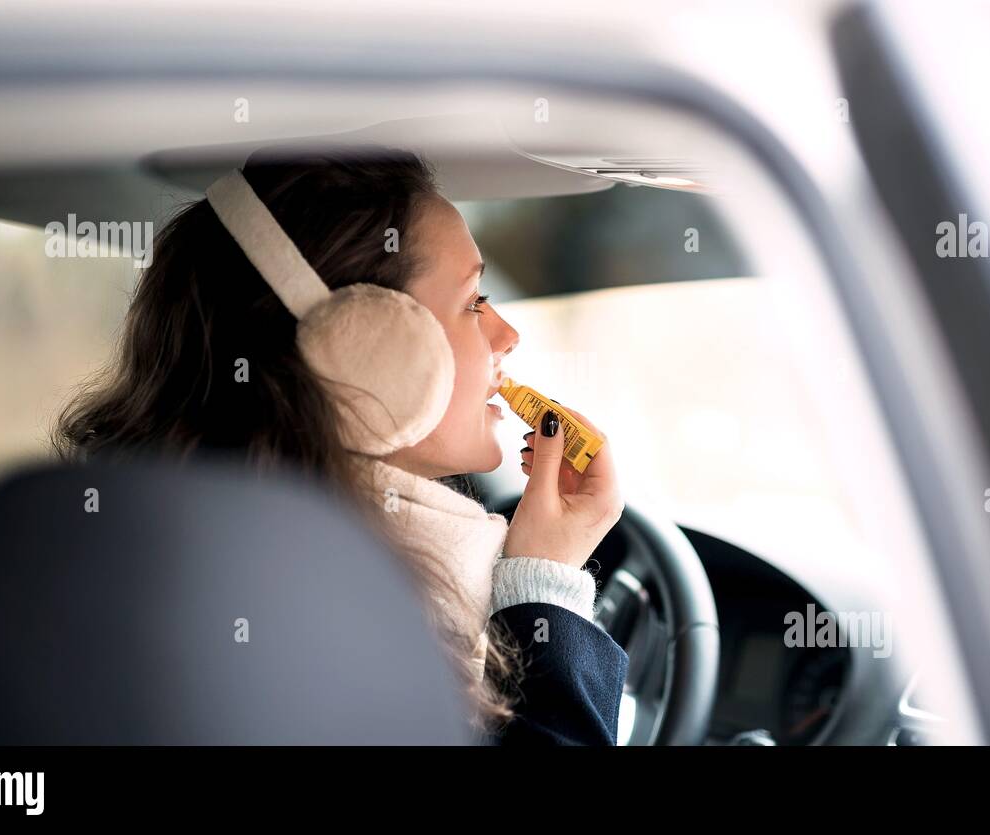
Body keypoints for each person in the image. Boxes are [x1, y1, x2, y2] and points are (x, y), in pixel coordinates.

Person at [53, 146, 628, 744]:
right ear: (358, 350)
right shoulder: (306, 629)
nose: (508, 333)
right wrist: (545, 590)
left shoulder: (208, 561)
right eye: (472, 302)